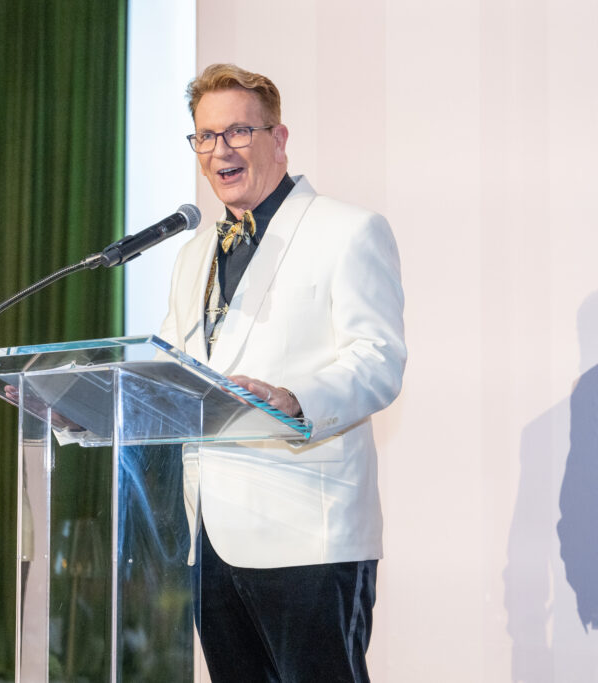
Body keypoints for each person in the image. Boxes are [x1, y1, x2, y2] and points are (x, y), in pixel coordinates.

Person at [158, 63, 406, 682]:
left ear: (279, 137)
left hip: (308, 534)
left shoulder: (347, 231)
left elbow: (378, 359)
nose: (221, 151)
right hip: (211, 539)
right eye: (206, 137)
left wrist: (293, 398)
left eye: (239, 132)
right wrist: (84, 402)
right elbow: (171, 367)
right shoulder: (194, 253)